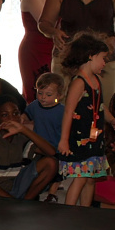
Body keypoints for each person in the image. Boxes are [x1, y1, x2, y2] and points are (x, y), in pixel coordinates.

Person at [57, 33, 112, 206]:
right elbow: (68, 112)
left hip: (94, 140)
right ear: (90, 56)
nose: (104, 63)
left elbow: (101, 107)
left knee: (90, 178)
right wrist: (64, 140)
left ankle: (86, 211)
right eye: (103, 58)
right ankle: (69, 212)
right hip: (80, 139)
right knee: (81, 177)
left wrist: (112, 120)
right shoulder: (78, 83)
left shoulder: (96, 80)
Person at [0, 95, 57, 199]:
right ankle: (17, 204)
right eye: (5, 115)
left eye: (16, 114)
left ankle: (26, 202)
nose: (12, 119)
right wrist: (12, 201)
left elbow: (51, 152)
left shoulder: (20, 138)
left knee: (51, 163)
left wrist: (24, 129)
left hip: (13, 188)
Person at [18, 0, 61, 101]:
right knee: (36, 92)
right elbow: (47, 23)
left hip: (49, 49)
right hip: (35, 49)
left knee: (51, 92)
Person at [25, 71, 66, 202]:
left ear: (59, 96)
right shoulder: (35, 106)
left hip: (56, 146)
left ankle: (52, 193)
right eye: (40, 93)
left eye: (49, 95)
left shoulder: (62, 111)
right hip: (39, 145)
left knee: (57, 171)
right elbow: (26, 115)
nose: (43, 97)